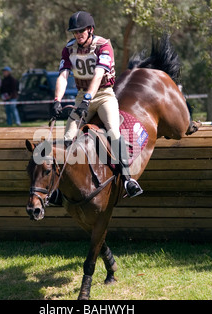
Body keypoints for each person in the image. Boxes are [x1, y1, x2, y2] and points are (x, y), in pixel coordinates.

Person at [51, 11, 143, 198]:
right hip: (81, 95)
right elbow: (63, 75)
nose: (77, 35)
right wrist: (57, 100)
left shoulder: (103, 45)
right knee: (68, 136)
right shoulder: (68, 49)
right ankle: (59, 189)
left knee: (113, 130)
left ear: (90, 30)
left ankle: (128, 179)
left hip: (103, 95)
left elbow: (99, 73)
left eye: (80, 31)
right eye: (75, 32)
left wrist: (88, 99)